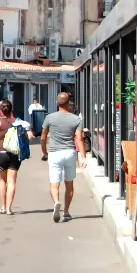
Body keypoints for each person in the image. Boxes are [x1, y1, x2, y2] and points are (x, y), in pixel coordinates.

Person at [40, 92, 86, 222]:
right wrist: (83, 156)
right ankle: (66, 212)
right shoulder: (76, 119)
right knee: (69, 184)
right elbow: (79, 139)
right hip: (70, 153)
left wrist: (44, 152)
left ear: (57, 103)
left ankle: (56, 202)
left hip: (54, 153)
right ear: (68, 104)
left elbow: (43, 138)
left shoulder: (49, 117)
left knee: (54, 183)